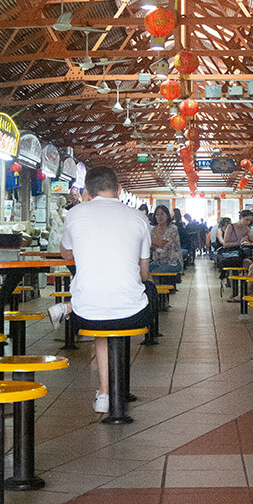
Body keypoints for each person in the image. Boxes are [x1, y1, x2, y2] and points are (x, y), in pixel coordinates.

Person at [57, 166, 153, 414]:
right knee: (146, 291)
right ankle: (118, 389)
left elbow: (66, 253)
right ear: (119, 190)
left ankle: (104, 393)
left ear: (87, 191)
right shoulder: (139, 218)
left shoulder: (74, 214)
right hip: (133, 313)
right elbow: (143, 274)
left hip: (86, 313)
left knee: (103, 322)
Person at [149, 205, 182, 274]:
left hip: (173, 263)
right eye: (157, 214)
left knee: (155, 273)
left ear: (167, 215)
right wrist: (153, 243)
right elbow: (150, 245)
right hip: (157, 262)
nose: (159, 217)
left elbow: (162, 243)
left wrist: (153, 243)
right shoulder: (154, 230)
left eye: (162, 214)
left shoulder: (173, 228)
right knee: (143, 271)